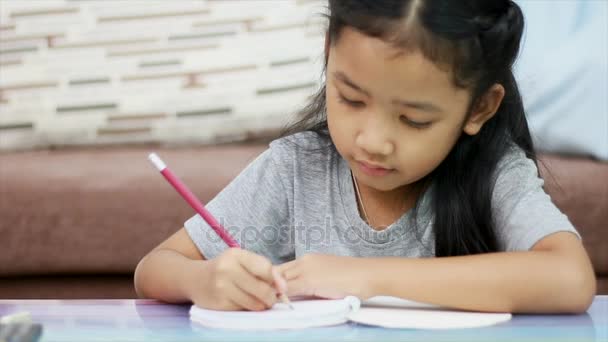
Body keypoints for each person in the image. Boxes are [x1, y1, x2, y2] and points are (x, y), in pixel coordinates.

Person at [134, 0, 596, 313]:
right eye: (352, 99)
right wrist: (205, 282)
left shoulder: (495, 174)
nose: (373, 141)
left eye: (414, 120)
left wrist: (363, 277)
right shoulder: (296, 168)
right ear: (328, 55)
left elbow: (569, 277)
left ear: (479, 107)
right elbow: (155, 268)